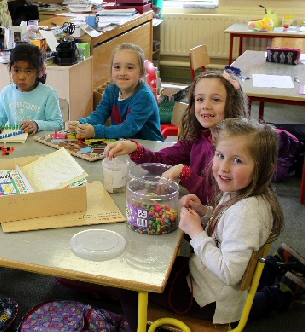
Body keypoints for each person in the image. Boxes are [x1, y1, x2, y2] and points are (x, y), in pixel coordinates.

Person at [117, 118, 285, 330]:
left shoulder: (247, 213)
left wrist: (196, 232)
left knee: (129, 284)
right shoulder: (239, 193)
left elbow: (230, 272)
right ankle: (278, 290)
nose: (223, 167)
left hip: (208, 300)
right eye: (221, 155)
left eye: (238, 161)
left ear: (264, 169)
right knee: (153, 264)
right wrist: (204, 213)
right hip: (205, 279)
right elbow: (225, 224)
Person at [105, 69, 248, 205]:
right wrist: (135, 148)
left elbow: (219, 196)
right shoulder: (197, 138)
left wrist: (184, 173)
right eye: (200, 99)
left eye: (216, 100)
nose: (206, 106)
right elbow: (162, 161)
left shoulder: (236, 152)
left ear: (232, 105)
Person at [67, 43, 164, 141]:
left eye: (130, 68)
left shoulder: (144, 96)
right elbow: (99, 115)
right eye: (117, 67)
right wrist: (81, 123)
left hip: (150, 149)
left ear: (141, 72)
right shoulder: (111, 91)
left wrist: (96, 131)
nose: (122, 73)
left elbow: (128, 128)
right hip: (123, 145)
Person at [0, 42, 63, 134]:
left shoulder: (48, 94)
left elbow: (58, 124)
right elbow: (0, 117)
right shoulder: (7, 92)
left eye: (28, 71)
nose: (21, 77)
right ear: (10, 68)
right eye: (17, 70)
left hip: (38, 143)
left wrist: (37, 125)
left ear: (39, 72)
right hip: (14, 143)